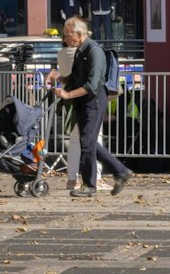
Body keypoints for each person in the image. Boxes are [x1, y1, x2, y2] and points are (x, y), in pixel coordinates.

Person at [52, 18, 131, 198]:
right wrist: (58, 77)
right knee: (88, 142)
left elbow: (91, 85)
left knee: (87, 142)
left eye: (67, 34)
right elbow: (74, 77)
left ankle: (89, 184)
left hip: (94, 101)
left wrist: (67, 95)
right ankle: (120, 170)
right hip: (83, 101)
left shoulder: (94, 51)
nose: (64, 38)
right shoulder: (80, 51)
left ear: (79, 34)